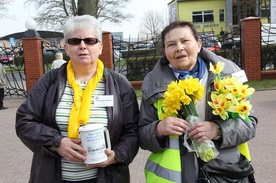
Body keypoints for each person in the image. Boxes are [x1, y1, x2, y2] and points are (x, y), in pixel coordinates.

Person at [15, 15, 139, 183]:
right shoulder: (48, 81)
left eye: (90, 40)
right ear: (66, 48)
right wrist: (57, 142)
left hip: (106, 176)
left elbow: (132, 131)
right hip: (53, 177)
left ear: (101, 47)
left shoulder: (119, 84)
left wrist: (117, 156)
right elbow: (24, 121)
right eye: (75, 41)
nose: (82, 46)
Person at [138, 21, 257, 183]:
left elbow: (250, 124)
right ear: (165, 51)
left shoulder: (228, 74)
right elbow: (142, 135)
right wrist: (158, 129)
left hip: (226, 174)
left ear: (199, 44)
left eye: (185, 41)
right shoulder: (153, 84)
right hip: (175, 177)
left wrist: (218, 130)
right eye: (171, 44)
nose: (179, 48)